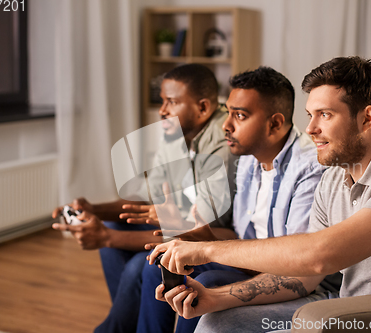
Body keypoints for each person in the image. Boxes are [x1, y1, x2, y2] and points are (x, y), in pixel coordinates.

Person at [148, 56, 371, 333]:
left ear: (367, 118)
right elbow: (300, 276)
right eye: (310, 115)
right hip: (348, 312)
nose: (311, 128)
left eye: (325, 115)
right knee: (218, 323)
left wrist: (206, 251)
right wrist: (214, 298)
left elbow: (318, 256)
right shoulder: (333, 178)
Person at [136, 66, 326, 333]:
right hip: (251, 264)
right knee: (160, 266)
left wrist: (209, 247)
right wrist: (201, 235)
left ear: (274, 123)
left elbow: (299, 266)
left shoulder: (310, 170)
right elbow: (240, 236)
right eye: (228, 113)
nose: (226, 125)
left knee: (208, 283)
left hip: (296, 280)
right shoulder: (247, 160)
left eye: (240, 115)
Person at [52, 63, 239, 333]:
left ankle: (113, 328)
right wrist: (94, 210)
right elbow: (148, 199)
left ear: (203, 108)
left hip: (208, 233)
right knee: (116, 226)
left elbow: (195, 226)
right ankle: (127, 324)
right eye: (162, 100)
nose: (162, 110)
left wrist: (106, 236)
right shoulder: (175, 132)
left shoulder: (223, 147)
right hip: (177, 224)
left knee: (140, 265)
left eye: (172, 102)